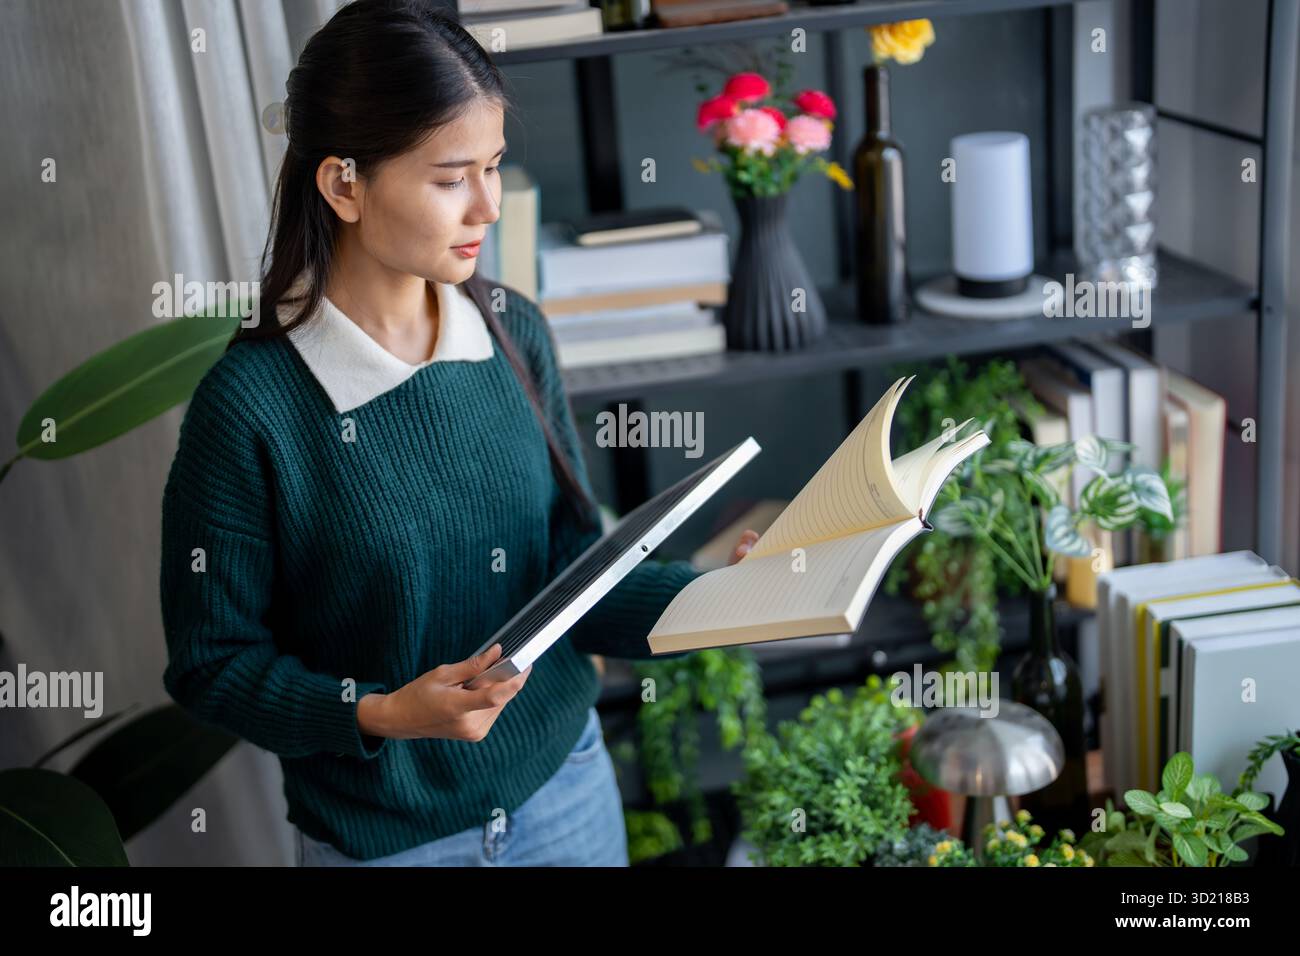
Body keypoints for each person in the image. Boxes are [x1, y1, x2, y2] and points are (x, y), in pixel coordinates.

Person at [159, 0, 757, 867]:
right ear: (344, 184)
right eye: (451, 178)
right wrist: (381, 712)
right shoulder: (252, 410)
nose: (488, 205)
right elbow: (211, 664)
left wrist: (712, 602)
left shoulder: (515, 333)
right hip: (391, 844)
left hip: (567, 792)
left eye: (494, 166)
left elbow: (570, 577)